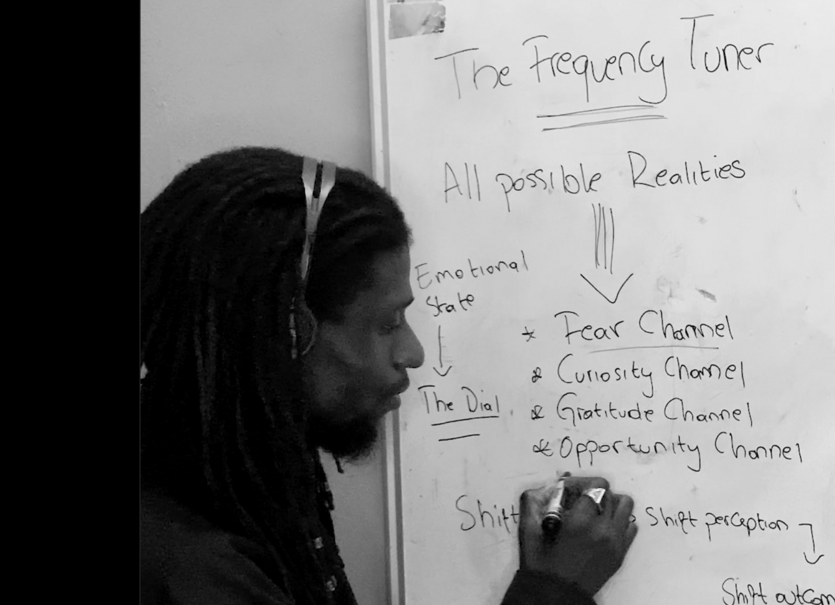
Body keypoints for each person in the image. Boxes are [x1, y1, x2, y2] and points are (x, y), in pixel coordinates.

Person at [140, 146, 638, 604]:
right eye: (387, 324)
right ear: (288, 332)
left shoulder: (247, 469)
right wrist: (552, 591)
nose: (413, 353)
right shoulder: (195, 571)